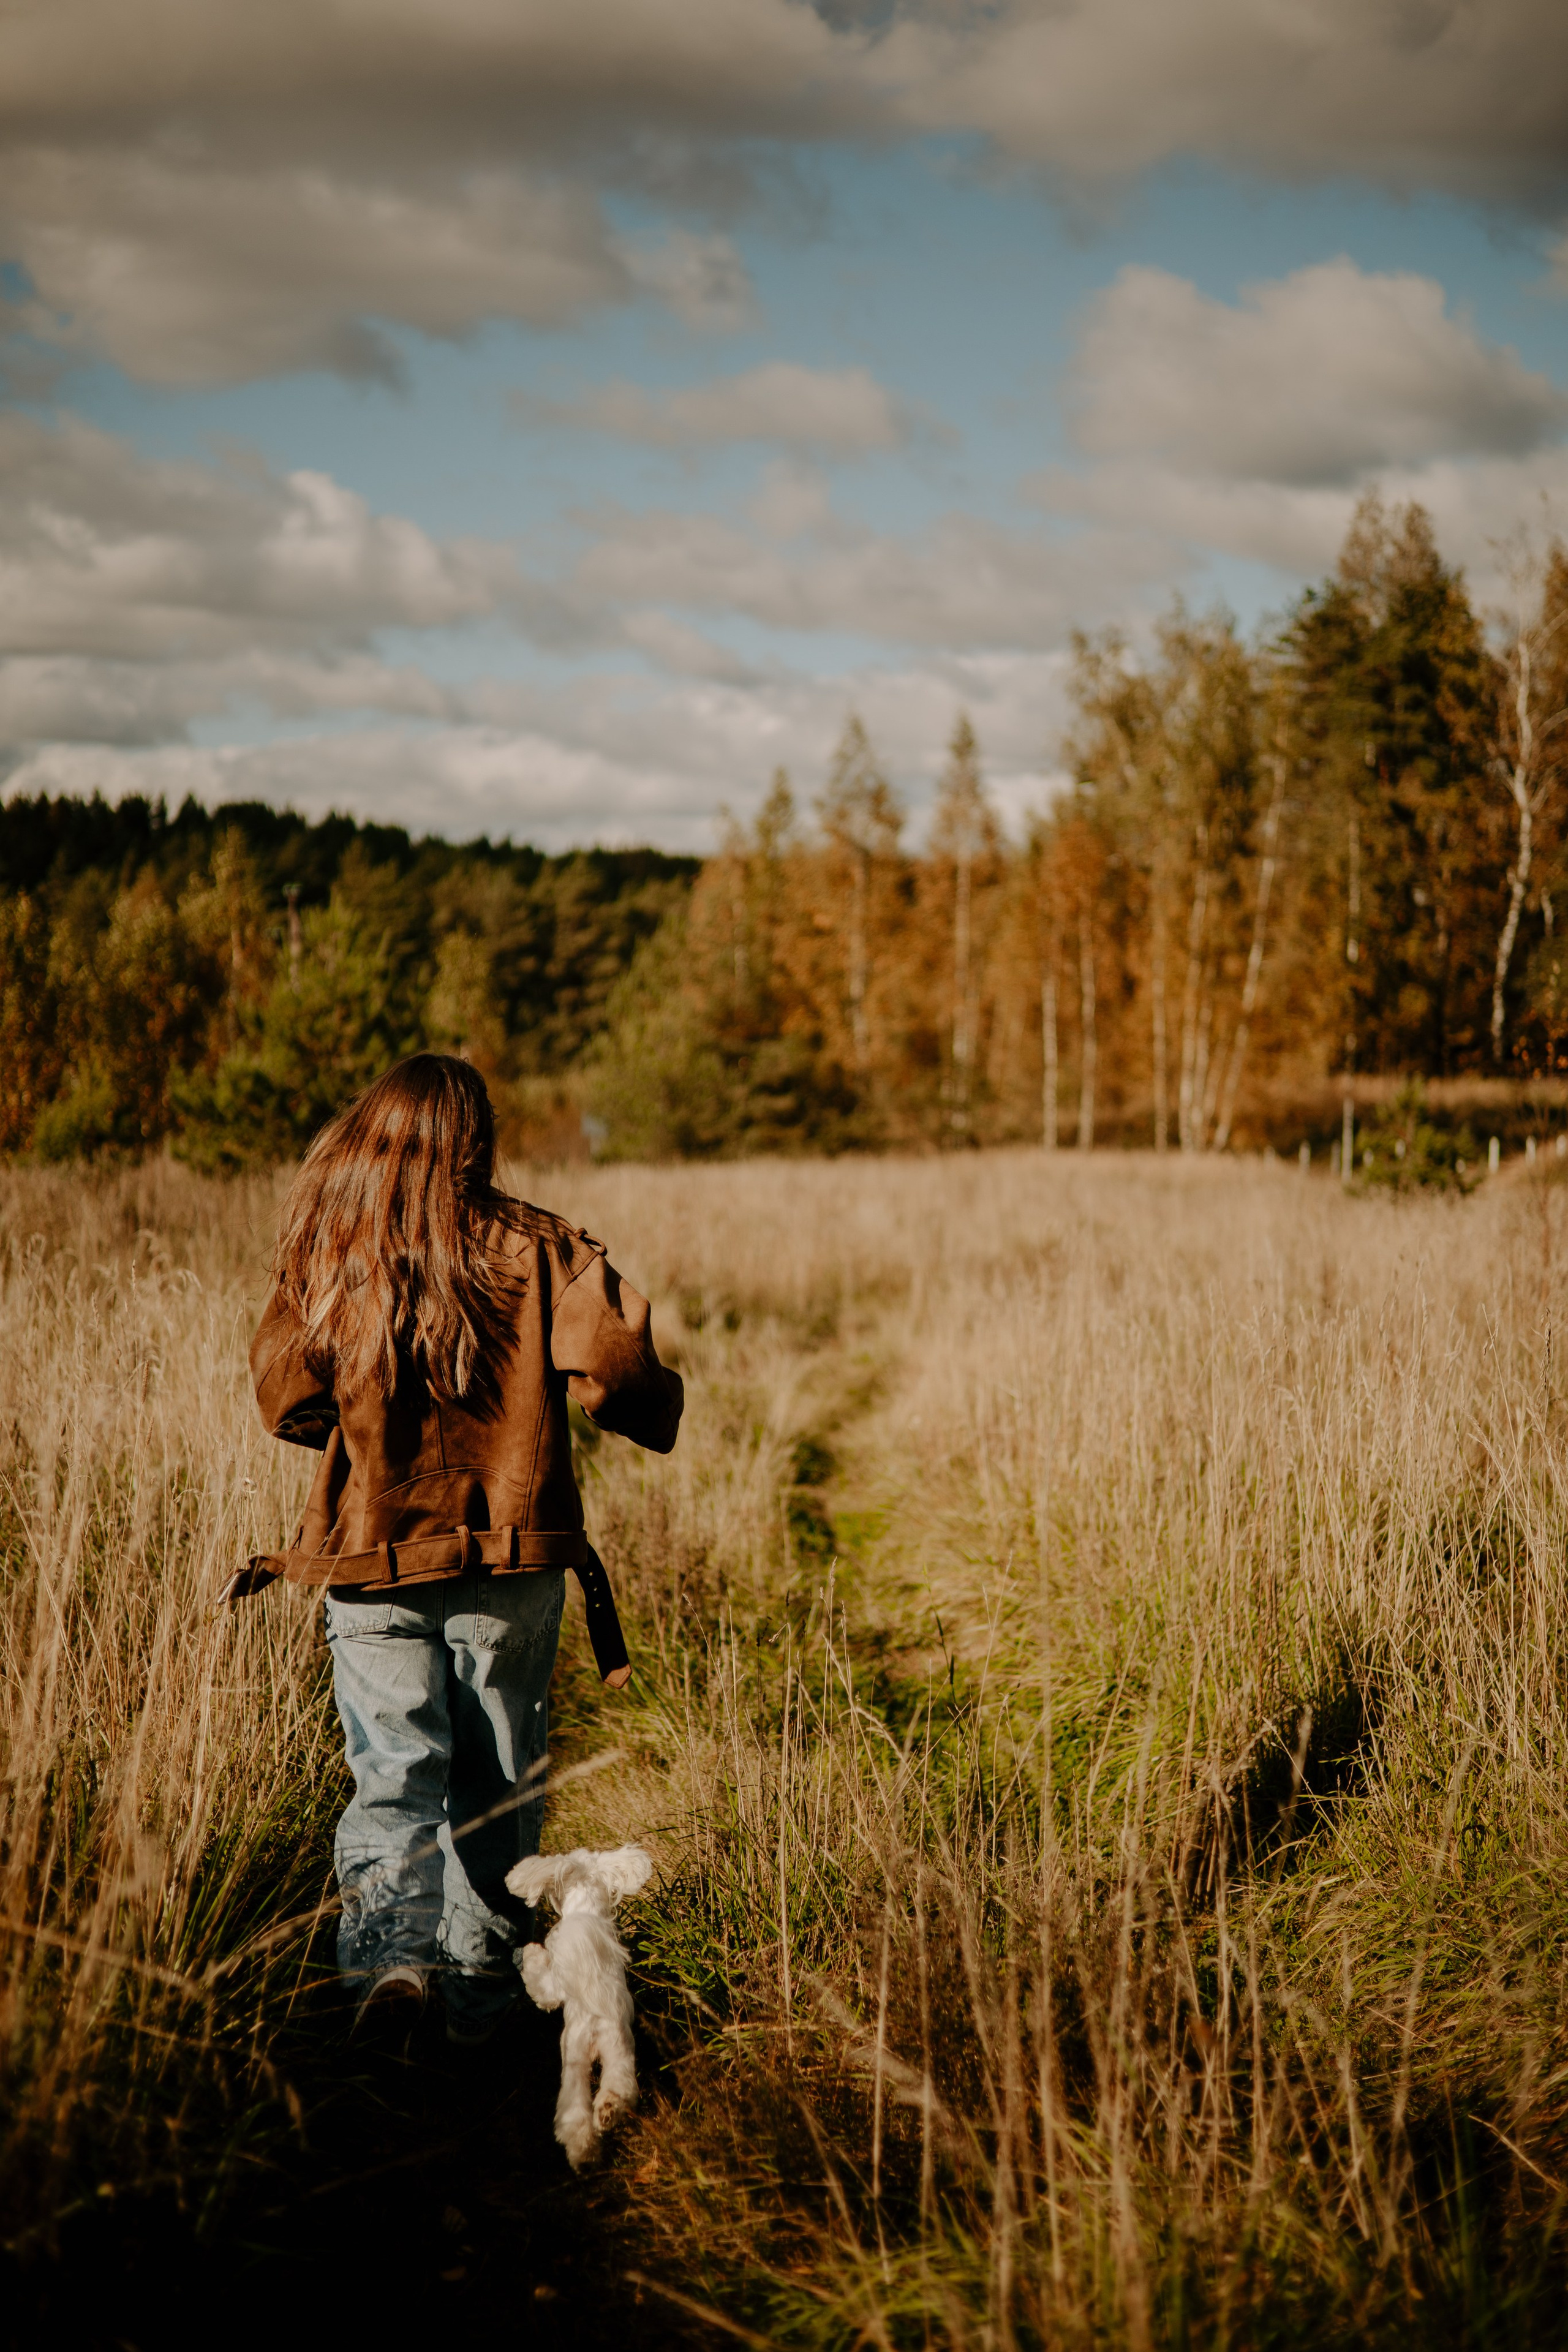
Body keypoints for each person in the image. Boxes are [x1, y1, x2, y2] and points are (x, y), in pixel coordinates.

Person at [227, 1054, 682, 2046]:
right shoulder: (543, 1248)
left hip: (372, 1564)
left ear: (375, 1133)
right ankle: (481, 1998)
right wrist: (646, 1397)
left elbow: (282, 1397)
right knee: (497, 1789)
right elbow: (620, 1373)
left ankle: (389, 1968)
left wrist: (358, 1438)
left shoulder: (332, 1252)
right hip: (508, 1571)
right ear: (475, 1138)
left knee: (391, 1776)